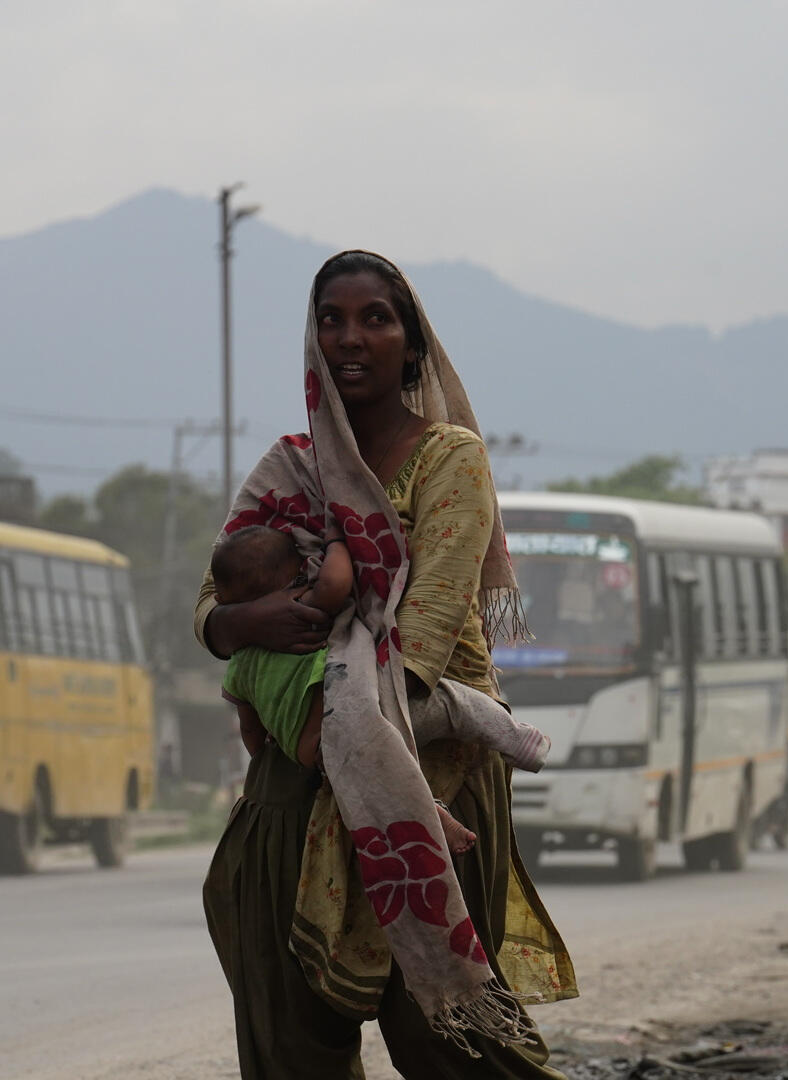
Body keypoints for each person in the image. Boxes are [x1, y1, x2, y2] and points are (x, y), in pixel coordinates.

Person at [199, 250, 574, 1079]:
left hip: (425, 768)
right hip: (293, 788)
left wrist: (353, 742)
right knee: (288, 1035)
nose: (350, 337)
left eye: (376, 318)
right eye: (331, 319)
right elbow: (210, 608)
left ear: (412, 347)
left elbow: (430, 626)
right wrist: (244, 617)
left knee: (447, 1040)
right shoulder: (289, 466)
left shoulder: (450, 459)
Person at [210, 523, 551, 853]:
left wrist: (268, 745)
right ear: (296, 577)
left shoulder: (239, 664)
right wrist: (335, 540)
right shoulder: (301, 608)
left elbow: (250, 727)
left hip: (320, 753)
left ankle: (431, 815)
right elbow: (336, 582)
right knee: (451, 703)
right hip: (365, 715)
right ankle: (514, 738)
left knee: (385, 783)